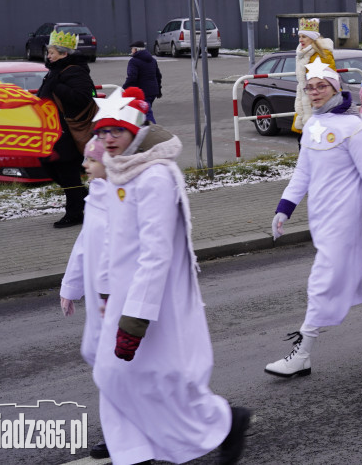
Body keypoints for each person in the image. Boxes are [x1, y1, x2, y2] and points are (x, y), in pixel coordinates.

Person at [90, 87, 249, 465]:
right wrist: (107, 290)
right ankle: (133, 450)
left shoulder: (156, 176)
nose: (107, 140)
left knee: (159, 380)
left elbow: (156, 251)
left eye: (115, 131)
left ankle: (225, 423)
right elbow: (113, 239)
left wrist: (135, 319)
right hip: (124, 299)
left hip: (151, 305)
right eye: (102, 132)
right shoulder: (117, 171)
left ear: (136, 131)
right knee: (114, 377)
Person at [266, 58, 362, 377]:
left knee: (321, 283)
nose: (314, 92)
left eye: (321, 86)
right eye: (309, 87)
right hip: (322, 220)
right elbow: (303, 173)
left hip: (346, 220)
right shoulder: (312, 126)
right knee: (360, 274)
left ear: (336, 87)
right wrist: (284, 208)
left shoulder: (355, 127)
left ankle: (303, 353)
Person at [59, 136, 111, 460]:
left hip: (115, 305)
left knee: (113, 371)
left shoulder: (122, 200)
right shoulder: (95, 197)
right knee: (100, 363)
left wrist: (109, 294)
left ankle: (125, 433)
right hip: (99, 305)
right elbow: (84, 245)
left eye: (91, 160)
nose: (84, 165)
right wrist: (69, 287)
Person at [37, 28, 96, 228]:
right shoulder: (56, 71)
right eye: (48, 53)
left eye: (52, 53)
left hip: (68, 132)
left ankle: (74, 213)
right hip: (55, 131)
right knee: (50, 166)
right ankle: (83, 197)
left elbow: (81, 98)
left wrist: (57, 86)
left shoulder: (74, 71)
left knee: (67, 171)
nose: (49, 56)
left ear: (64, 54)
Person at [293, 17, 336, 133]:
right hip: (305, 100)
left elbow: (330, 81)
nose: (300, 40)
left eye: (304, 36)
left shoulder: (323, 53)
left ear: (312, 38)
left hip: (318, 102)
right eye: (299, 37)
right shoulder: (302, 53)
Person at [122, 40, 162, 123]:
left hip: (142, 92)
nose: (131, 51)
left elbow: (132, 77)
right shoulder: (152, 60)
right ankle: (141, 130)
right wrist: (159, 89)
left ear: (136, 50)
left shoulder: (133, 61)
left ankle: (153, 130)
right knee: (142, 112)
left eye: (132, 49)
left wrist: (124, 89)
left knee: (147, 113)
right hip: (153, 91)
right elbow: (158, 75)